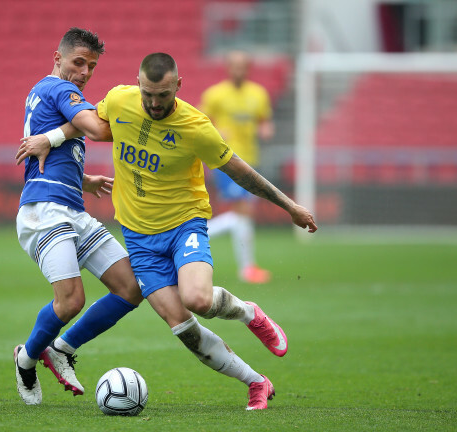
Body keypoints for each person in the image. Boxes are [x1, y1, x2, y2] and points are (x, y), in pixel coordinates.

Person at [17, 53, 317, 410]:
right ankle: (256, 382)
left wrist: (290, 206)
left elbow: (240, 171)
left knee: (198, 300)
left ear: (178, 86)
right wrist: (50, 139)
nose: (154, 103)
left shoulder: (196, 126)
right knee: (183, 327)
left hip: (183, 225)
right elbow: (90, 125)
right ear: (138, 85)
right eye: (148, 94)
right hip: (140, 240)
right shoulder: (120, 99)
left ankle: (248, 313)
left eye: (162, 95)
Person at [13, 27, 143, 406]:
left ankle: (63, 348)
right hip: (46, 210)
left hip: (71, 206)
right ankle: (25, 359)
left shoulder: (43, 92)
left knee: (131, 287)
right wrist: (139, 103)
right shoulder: (60, 90)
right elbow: (101, 129)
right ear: (58, 57)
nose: (84, 72)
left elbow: (46, 145)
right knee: (71, 301)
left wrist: (81, 178)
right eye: (78, 63)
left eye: (91, 66)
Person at [199, 51, 275, 284]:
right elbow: (198, 121)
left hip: (250, 159)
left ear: (248, 68)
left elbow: (264, 121)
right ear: (228, 67)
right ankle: (246, 268)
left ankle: (246, 266)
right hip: (225, 159)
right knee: (243, 212)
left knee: (243, 214)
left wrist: (265, 129)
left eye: (243, 66)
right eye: (235, 66)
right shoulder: (215, 94)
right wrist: (216, 131)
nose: (239, 71)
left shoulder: (258, 94)